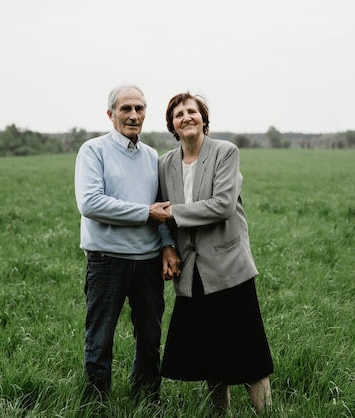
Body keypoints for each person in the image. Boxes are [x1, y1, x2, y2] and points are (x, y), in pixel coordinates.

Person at [158, 92, 273, 414]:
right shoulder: (165, 164)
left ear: (203, 119)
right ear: (173, 125)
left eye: (192, 111)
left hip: (229, 267)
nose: (186, 117)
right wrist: (167, 244)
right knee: (211, 355)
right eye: (179, 114)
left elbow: (222, 206)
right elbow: (157, 212)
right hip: (192, 274)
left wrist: (171, 213)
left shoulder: (225, 152)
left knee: (250, 355)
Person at [74, 84, 181, 401]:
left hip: (148, 262)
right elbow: (91, 204)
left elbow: (160, 207)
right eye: (126, 109)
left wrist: (166, 244)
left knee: (149, 337)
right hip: (107, 260)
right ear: (111, 114)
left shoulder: (151, 156)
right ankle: (96, 404)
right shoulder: (93, 151)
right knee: (100, 339)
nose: (134, 116)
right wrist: (144, 213)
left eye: (140, 109)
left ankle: (147, 400)